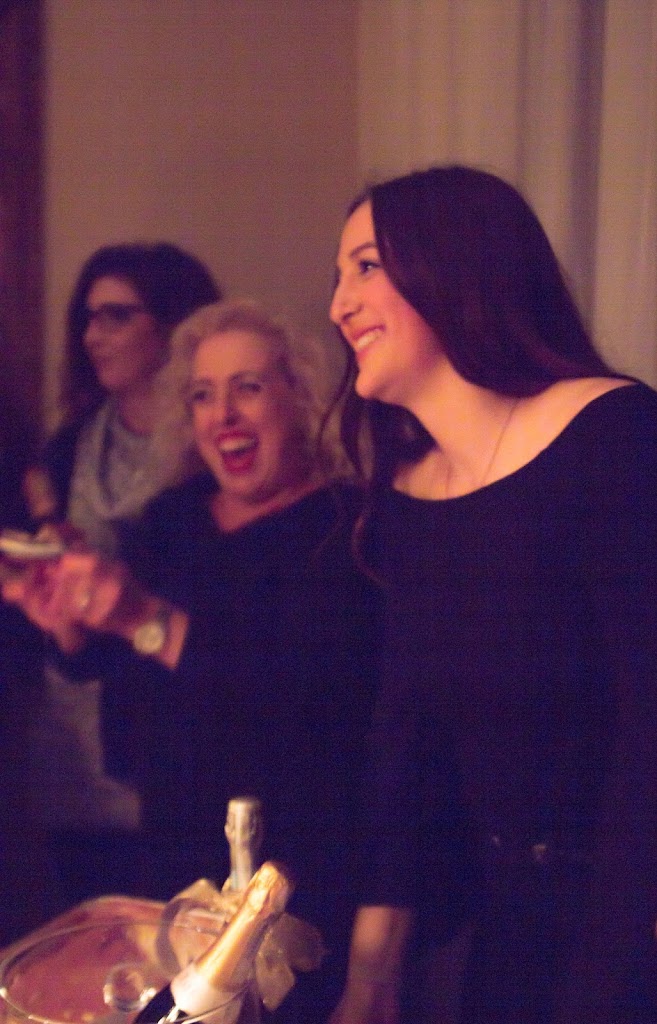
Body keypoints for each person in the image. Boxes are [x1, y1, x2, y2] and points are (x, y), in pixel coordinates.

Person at [328, 165, 657, 1024]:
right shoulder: (407, 496)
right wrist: (370, 975)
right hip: (508, 935)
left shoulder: (613, 433)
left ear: (453, 264)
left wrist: (608, 975)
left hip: (626, 932)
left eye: (364, 267)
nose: (338, 306)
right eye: (339, 276)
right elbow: (406, 747)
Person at [2, 299, 379, 1022]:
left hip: (296, 882)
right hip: (169, 858)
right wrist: (72, 627)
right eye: (202, 395)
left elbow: (307, 708)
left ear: (300, 400)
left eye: (248, 388)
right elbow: (124, 673)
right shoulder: (171, 518)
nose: (222, 414)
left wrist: (144, 620)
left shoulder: (348, 528)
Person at [26, 242, 221, 906]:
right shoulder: (69, 446)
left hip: (182, 737)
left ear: (171, 324)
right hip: (76, 741)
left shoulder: (215, 441)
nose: (93, 335)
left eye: (116, 315)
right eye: (87, 318)